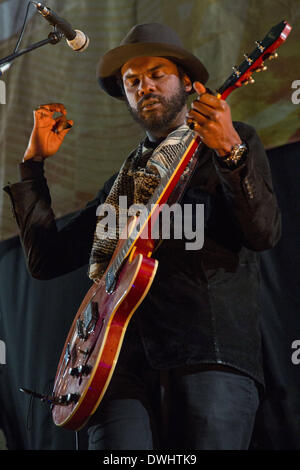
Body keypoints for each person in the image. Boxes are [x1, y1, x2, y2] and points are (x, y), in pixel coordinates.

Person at [4, 23, 281, 450]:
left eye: (156, 74)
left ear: (188, 82)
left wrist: (230, 152)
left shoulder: (231, 143)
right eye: (132, 81)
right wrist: (32, 165)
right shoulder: (123, 184)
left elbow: (263, 232)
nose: (144, 87)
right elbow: (47, 260)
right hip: (115, 368)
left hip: (207, 353)